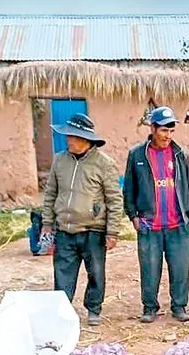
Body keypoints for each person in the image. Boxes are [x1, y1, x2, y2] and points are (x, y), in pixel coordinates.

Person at [40, 113, 124, 327]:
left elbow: (115, 199)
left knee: (95, 272)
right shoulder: (60, 160)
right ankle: (62, 311)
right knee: (62, 273)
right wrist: (47, 223)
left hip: (93, 230)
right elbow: (50, 193)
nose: (68, 140)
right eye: (68, 136)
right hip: (65, 229)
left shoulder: (104, 164)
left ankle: (93, 308)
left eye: (73, 137)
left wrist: (112, 232)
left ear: (86, 140)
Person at [123, 106, 189, 324]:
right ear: (153, 128)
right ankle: (149, 307)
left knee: (180, 269)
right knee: (149, 269)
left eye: (171, 131)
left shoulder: (179, 154)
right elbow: (129, 189)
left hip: (178, 225)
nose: (168, 136)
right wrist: (133, 217)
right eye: (164, 130)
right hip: (149, 226)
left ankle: (179, 306)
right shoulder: (137, 155)